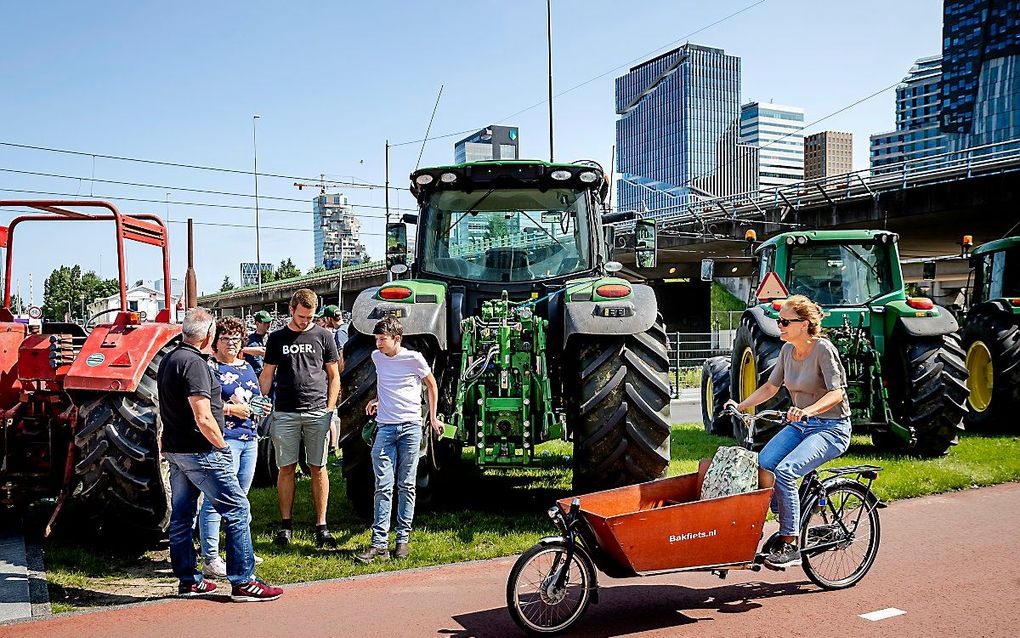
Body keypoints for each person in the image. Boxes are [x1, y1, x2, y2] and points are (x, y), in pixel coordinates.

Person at [158, 307, 282, 602]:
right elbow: (203, 416)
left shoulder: (170, 360)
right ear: (209, 336)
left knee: (183, 514)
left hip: (178, 451)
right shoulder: (196, 364)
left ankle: (189, 580)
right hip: (201, 451)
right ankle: (243, 581)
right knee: (237, 509)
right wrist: (222, 447)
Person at [727, 294, 851, 570]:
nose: (778, 325)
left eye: (784, 321)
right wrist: (741, 405)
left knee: (786, 471)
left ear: (804, 324)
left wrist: (808, 411)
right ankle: (788, 514)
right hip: (801, 426)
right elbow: (771, 387)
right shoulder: (786, 351)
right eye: (778, 320)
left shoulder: (823, 350)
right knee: (765, 463)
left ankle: (791, 543)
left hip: (831, 428)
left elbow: (837, 394)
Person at [355, 317, 441, 563]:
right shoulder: (376, 357)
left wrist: (433, 418)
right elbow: (387, 384)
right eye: (376, 339)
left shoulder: (414, 359)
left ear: (397, 339)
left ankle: (402, 539)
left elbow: (431, 386)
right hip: (385, 427)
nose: (378, 343)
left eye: (382, 339)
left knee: (406, 484)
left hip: (410, 428)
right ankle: (379, 543)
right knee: (382, 485)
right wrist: (377, 400)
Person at [260, 289, 341, 548]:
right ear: (291, 310)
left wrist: (329, 410)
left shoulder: (324, 336)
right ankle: (286, 525)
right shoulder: (276, 338)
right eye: (302, 316)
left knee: (318, 467)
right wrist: (259, 400)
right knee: (286, 468)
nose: (305, 321)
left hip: (317, 410)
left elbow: (334, 376)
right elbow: (267, 373)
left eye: (310, 317)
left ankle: (322, 525)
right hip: (284, 411)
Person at [198, 316, 272, 579]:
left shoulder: (247, 368)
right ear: (215, 342)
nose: (231, 343)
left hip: (249, 437)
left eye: (236, 338)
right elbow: (205, 404)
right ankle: (211, 557)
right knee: (216, 497)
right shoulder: (209, 368)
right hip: (224, 437)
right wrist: (232, 409)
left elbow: (254, 397)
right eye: (226, 338)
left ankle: (241, 551)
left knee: (241, 497)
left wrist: (262, 406)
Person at [319, 304, 348, 457]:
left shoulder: (340, 334)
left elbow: (341, 358)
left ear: (330, 319)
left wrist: (337, 377)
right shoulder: (347, 328)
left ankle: (338, 446)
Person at [242, 310, 273, 381]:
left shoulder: (273, 338)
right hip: (254, 377)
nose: (268, 325)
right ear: (257, 323)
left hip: (270, 377)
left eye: (269, 322)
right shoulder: (248, 340)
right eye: (265, 323)